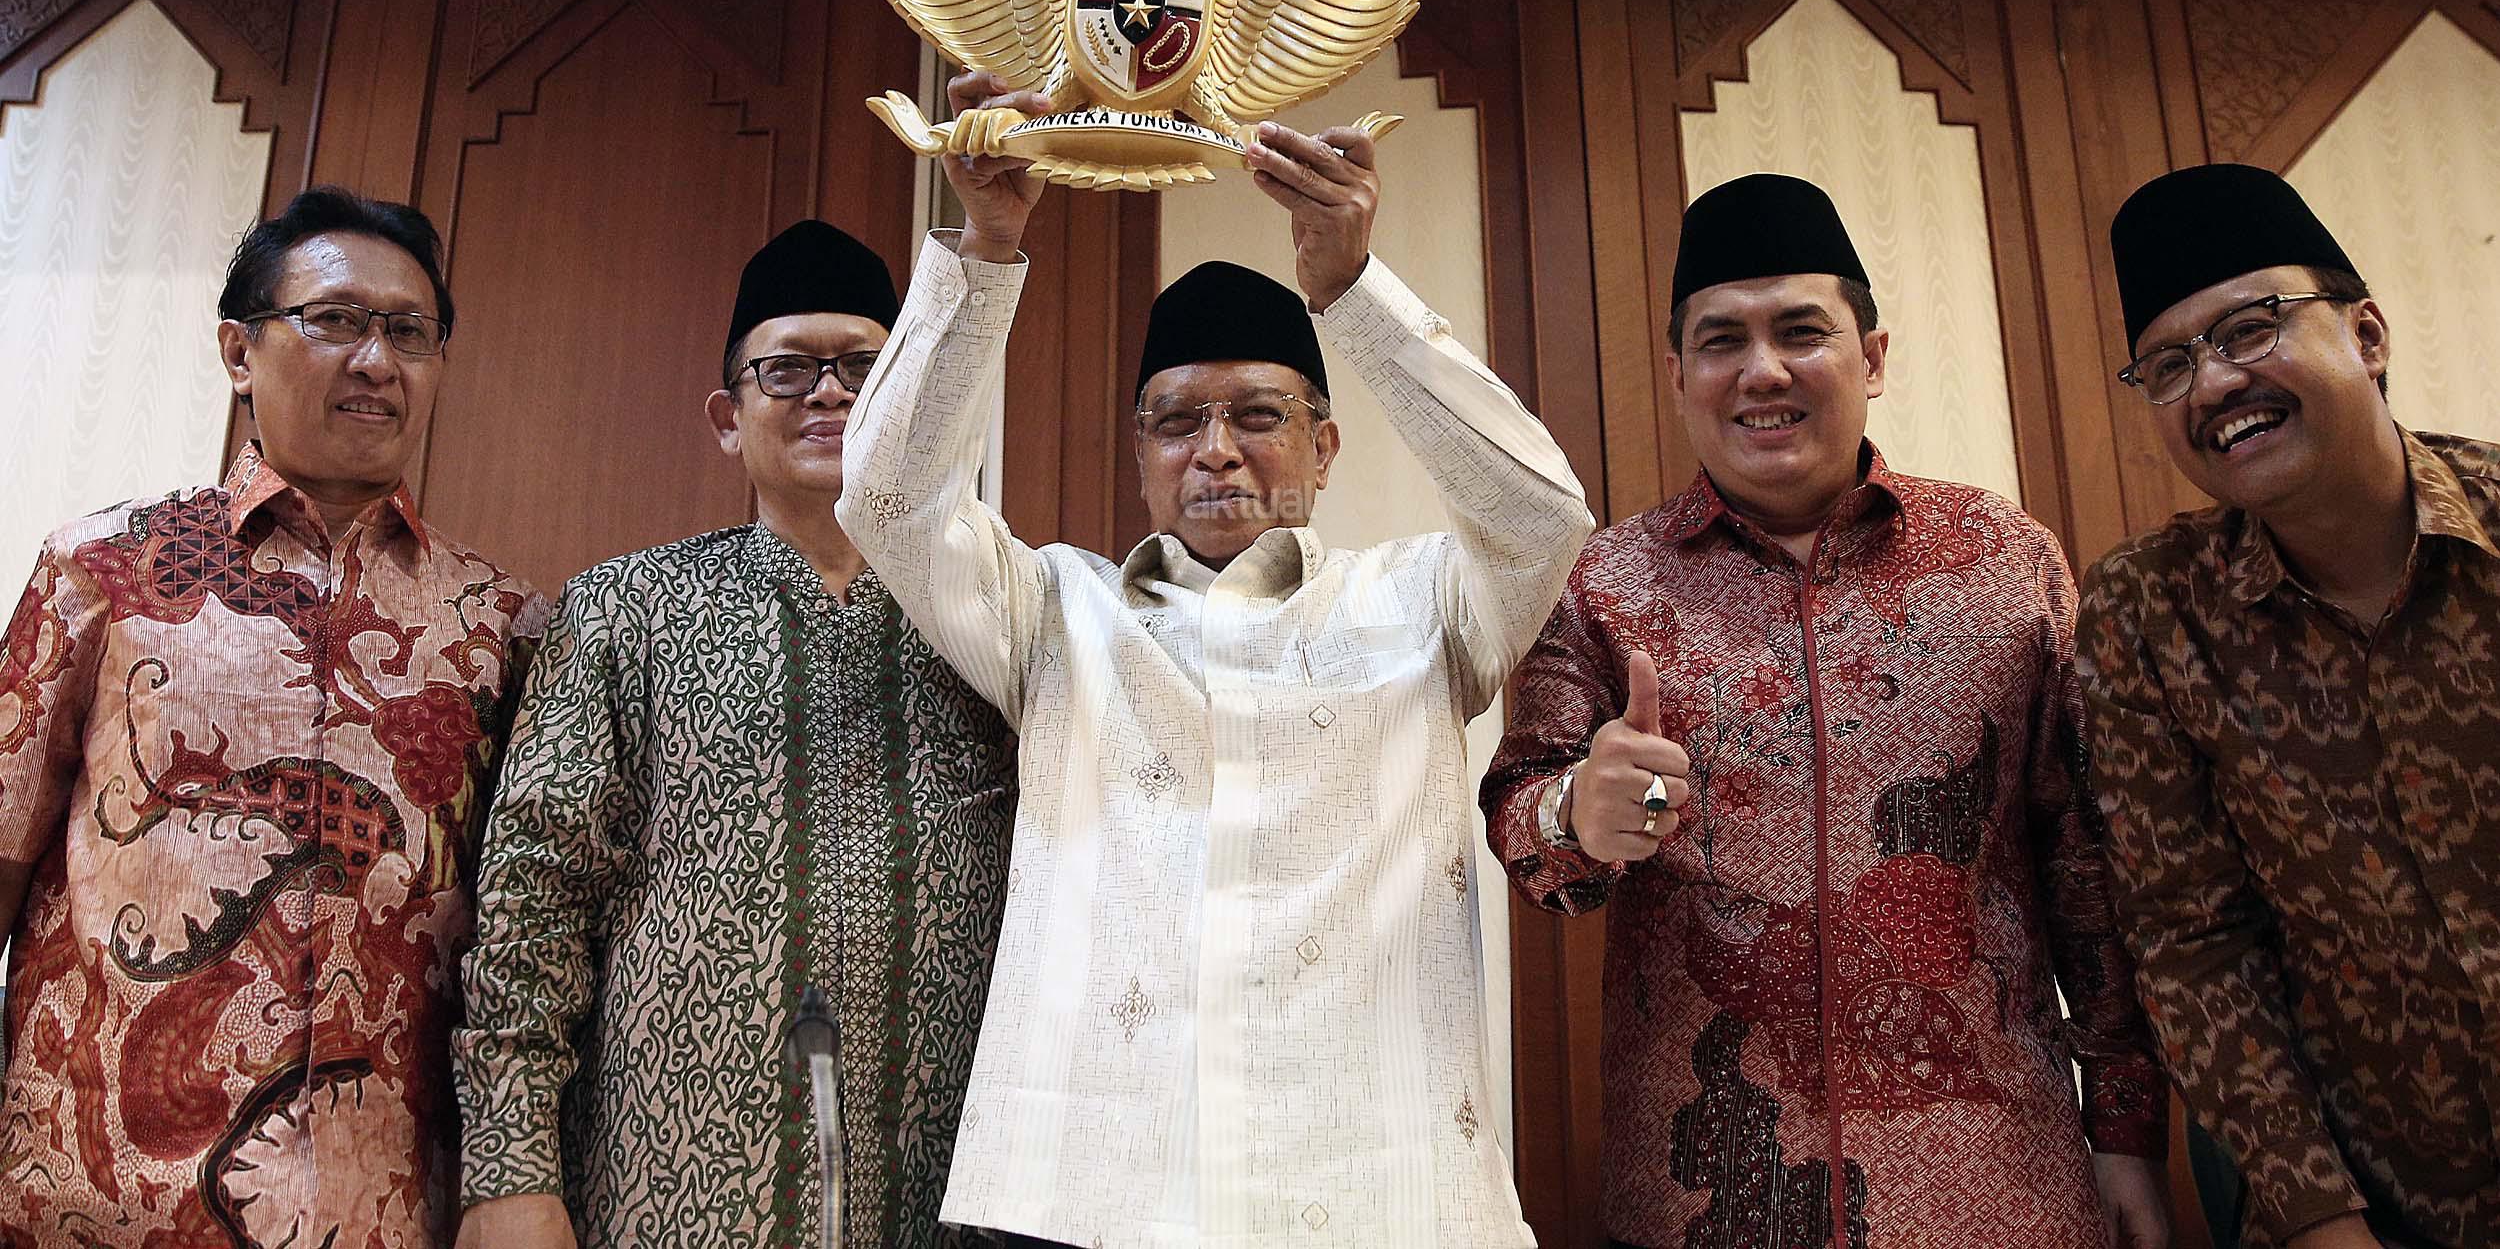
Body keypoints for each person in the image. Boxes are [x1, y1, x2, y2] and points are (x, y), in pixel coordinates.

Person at [833, 73, 1593, 1246]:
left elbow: (1541, 515)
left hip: (1378, 1194)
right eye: (1177, 420)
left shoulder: (1425, 606)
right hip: (1100, 1202)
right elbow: (886, 500)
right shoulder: (1056, 614)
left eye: (1258, 415)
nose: (1216, 450)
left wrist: (1349, 288)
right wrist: (986, 245)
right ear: (1140, 454)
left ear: (1324, 447)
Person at [1481, 173, 2174, 1249]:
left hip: (1995, 1191)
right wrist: (1577, 812)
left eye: (1801, 331)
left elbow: (2085, 862)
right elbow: (1526, 837)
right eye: (1721, 341)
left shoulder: (2003, 561)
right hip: (1710, 1193)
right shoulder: (1604, 585)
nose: (1762, 370)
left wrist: (2126, 1132)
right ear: (1677, 376)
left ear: (1873, 358)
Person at [451, 221, 1016, 1249]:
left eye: (864, 367)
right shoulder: (625, 611)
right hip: (671, 1185)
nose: (829, 393)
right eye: (788, 370)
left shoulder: (993, 619)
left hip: (948, 1192)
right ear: (728, 417)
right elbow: (533, 904)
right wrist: (510, 1173)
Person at [0, 188, 546, 1247]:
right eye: (335, 320)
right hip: (97, 1200)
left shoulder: (502, 623)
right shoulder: (103, 569)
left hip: (388, 1211)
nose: (377, 361)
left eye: (410, 332)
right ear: (238, 351)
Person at [2076, 163, 2500, 1249]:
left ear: (2367, 335)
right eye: (2168, 365)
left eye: (2248, 329)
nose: (2213, 383)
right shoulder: (2150, 613)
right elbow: (2190, 939)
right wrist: (2320, 1221)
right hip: (2375, 1202)